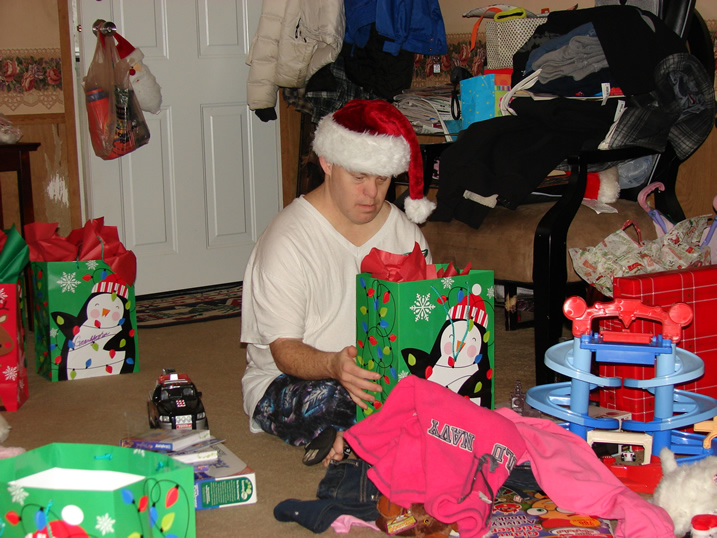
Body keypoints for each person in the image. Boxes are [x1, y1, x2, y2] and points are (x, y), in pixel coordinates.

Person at [240, 98, 435, 458]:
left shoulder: (406, 236)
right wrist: (334, 365)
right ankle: (367, 436)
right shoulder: (287, 240)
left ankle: (358, 439)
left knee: (445, 388)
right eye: (358, 177)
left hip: (382, 376)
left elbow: (425, 325)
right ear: (327, 163)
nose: (372, 193)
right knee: (336, 400)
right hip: (292, 380)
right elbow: (284, 352)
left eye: (382, 179)